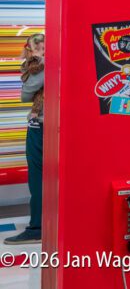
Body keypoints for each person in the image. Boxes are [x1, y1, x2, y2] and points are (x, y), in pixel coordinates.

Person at [6, 33, 44, 245]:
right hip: (43, 122)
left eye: (42, 47)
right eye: (37, 47)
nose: (41, 50)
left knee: (37, 177)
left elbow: (26, 94)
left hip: (42, 124)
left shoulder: (45, 66)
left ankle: (37, 227)